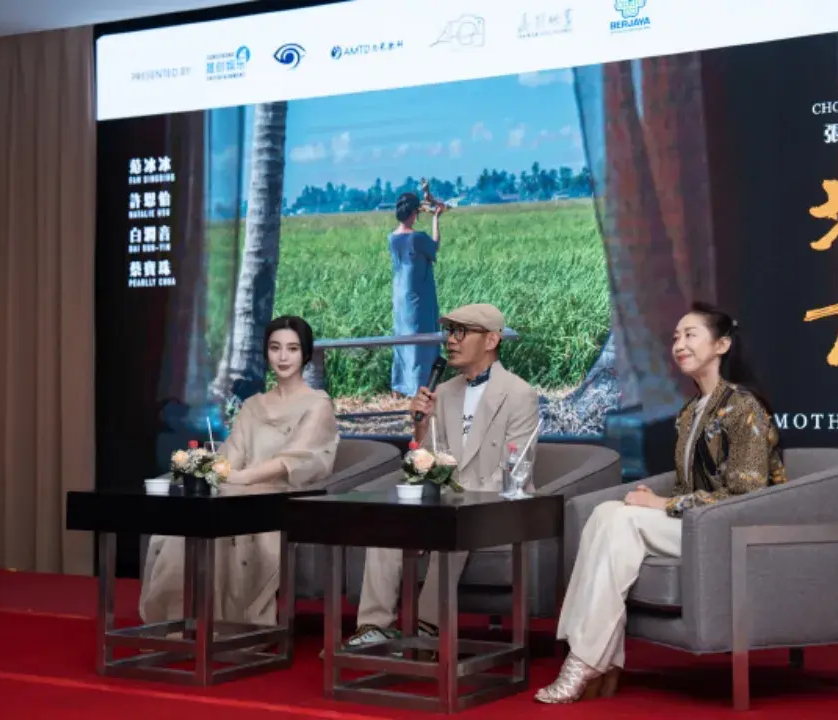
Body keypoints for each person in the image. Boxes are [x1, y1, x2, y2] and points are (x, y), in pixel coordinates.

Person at [534, 302, 787, 703]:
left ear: (722, 345)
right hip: (699, 523)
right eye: (676, 337)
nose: (679, 345)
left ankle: (585, 660)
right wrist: (661, 503)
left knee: (623, 521)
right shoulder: (690, 412)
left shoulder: (744, 407)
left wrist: (663, 505)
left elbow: (748, 494)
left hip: (733, 528)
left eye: (690, 335)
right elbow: (690, 487)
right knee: (605, 512)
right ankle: (596, 658)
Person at [345, 303, 541, 648]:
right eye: (449, 331)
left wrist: (455, 500)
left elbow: (514, 469)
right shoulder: (445, 392)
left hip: (495, 506)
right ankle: (373, 626)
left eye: (461, 332)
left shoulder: (519, 394)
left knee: (456, 518)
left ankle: (427, 630)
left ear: (491, 340)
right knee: (387, 523)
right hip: (446, 502)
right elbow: (429, 462)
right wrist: (421, 427)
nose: (451, 340)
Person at [139, 316, 340, 627]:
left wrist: (245, 478)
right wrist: (209, 468)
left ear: (306, 354)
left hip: (279, 501)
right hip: (236, 492)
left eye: (292, 349)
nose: (283, 357)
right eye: (275, 348)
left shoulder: (318, 405)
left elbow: (296, 460)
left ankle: (228, 629)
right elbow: (230, 458)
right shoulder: (253, 405)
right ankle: (179, 623)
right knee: (184, 526)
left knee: (229, 523)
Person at [389, 191, 444, 398]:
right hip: (418, 296)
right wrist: (436, 218)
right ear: (414, 213)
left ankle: (399, 385)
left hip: (400, 295)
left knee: (402, 338)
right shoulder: (417, 238)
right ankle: (419, 386)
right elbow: (435, 246)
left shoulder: (392, 238)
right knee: (422, 341)